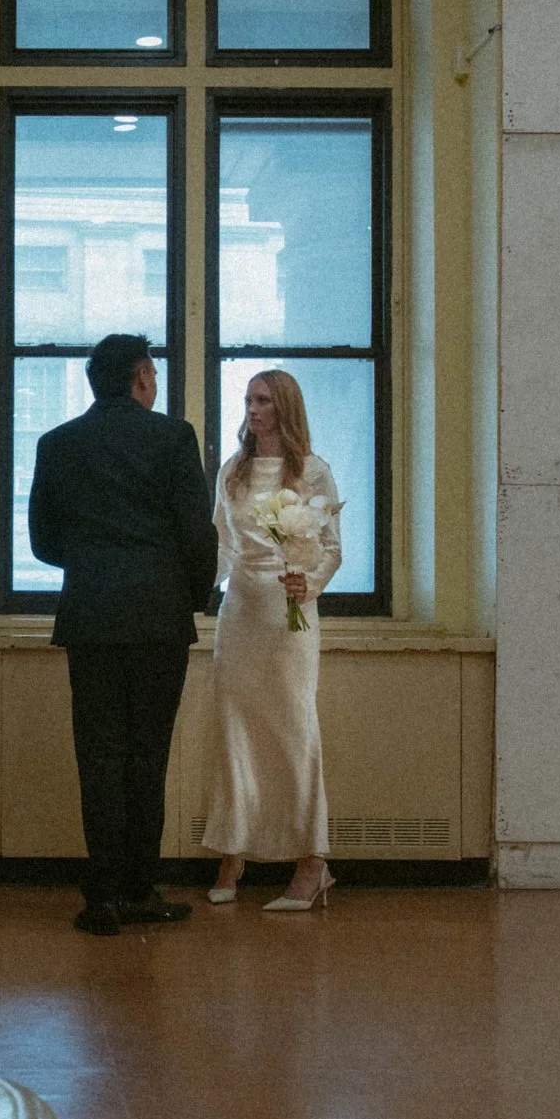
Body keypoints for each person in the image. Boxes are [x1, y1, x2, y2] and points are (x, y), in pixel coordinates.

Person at [27, 334, 220, 938]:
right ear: (141, 376)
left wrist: (93, 564)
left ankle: (104, 894)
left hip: (90, 617)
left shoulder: (57, 443)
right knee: (147, 755)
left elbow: (42, 541)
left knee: (100, 755)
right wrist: (188, 597)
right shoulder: (173, 438)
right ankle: (140, 888)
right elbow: (198, 534)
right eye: (153, 372)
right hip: (159, 619)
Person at [201, 370, 342, 911]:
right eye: (248, 400)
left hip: (290, 616)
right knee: (234, 732)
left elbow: (330, 547)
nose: (252, 409)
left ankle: (313, 863)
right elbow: (221, 544)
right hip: (240, 614)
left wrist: (311, 582)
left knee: (294, 732)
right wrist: (193, 586)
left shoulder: (313, 471)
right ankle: (232, 853)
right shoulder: (232, 471)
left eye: (262, 400)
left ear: (284, 408)